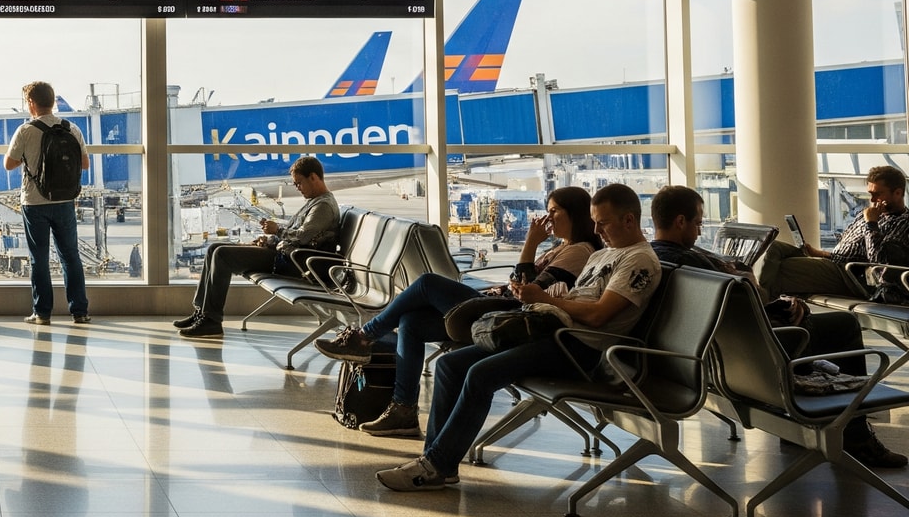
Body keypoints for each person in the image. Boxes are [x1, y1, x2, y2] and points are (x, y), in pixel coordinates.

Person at [376, 183, 663, 492]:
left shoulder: (639, 261)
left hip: (579, 348)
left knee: (480, 374)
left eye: (602, 223)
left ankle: (436, 465)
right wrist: (552, 298)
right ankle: (436, 462)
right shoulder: (605, 254)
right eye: (594, 221)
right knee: (449, 365)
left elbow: (598, 316)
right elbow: (580, 299)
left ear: (629, 220)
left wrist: (549, 299)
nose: (596, 229)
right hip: (553, 331)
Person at [649, 184, 904, 469]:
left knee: (796, 297)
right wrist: (760, 288)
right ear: (680, 221)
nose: (698, 232)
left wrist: (774, 299)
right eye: (697, 223)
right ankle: (855, 436)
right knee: (843, 326)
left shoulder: (657, 257)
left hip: (710, 361)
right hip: (754, 360)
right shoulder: (697, 263)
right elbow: (749, 304)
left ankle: (810, 430)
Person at [315, 186, 602, 438]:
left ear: (574, 214)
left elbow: (530, 290)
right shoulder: (560, 248)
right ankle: (403, 410)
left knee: (427, 283)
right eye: (548, 211)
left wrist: (529, 243)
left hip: (516, 320)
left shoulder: (579, 252)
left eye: (554, 212)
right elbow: (521, 282)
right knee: (412, 321)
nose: (547, 218)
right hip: (504, 307)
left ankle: (365, 337)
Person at [177, 155, 340, 339]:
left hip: (292, 263)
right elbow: (297, 234)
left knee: (222, 254)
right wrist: (269, 241)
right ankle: (201, 312)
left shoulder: (323, 206)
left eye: (299, 183)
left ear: (313, 177)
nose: (297, 188)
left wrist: (277, 230)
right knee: (214, 248)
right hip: (283, 254)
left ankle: (211, 321)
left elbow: (303, 237)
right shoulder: (314, 202)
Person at [5, 81, 91, 325]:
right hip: (65, 199)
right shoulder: (71, 128)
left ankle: (42, 313)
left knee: (39, 258)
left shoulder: (25, 130)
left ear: (31, 103)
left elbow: (8, 165)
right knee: (70, 256)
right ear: (52, 101)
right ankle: (80, 311)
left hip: (34, 202)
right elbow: (85, 164)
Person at [759, 164, 909, 298]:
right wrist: (821, 253)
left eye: (877, 194)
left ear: (897, 193)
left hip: (851, 276)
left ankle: (758, 300)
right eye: (870, 194)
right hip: (835, 263)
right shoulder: (868, 214)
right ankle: (761, 296)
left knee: (785, 268)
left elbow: (879, 263)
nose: (872, 199)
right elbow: (848, 252)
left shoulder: (902, 222)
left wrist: (871, 223)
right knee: (772, 246)